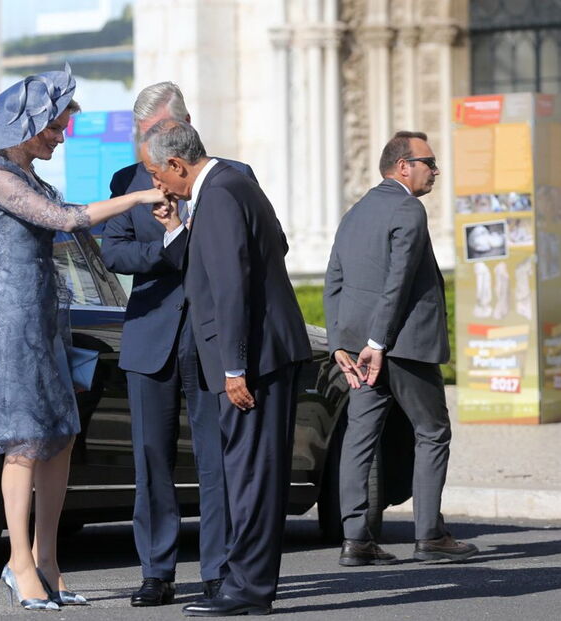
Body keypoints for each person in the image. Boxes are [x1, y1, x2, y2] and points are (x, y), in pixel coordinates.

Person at [0, 65, 168, 612]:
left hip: (40, 317)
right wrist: (135, 199)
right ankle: (19, 563)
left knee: (59, 436)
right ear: (27, 126)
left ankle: (49, 561)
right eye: (55, 127)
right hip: (6, 320)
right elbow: (63, 220)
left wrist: (156, 221)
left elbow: (82, 227)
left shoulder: (29, 176)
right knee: (26, 439)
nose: (61, 137)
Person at [140, 119, 311, 616]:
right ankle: (249, 584)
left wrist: (234, 367)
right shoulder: (235, 182)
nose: (157, 185)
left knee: (251, 474)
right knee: (252, 471)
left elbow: (231, 285)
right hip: (267, 350)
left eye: (156, 174)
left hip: (252, 358)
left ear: (177, 164)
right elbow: (275, 245)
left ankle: (247, 589)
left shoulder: (216, 195)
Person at [100, 82, 255, 607]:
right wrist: (168, 241)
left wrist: (185, 228)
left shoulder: (231, 177)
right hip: (151, 334)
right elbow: (115, 253)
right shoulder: (128, 180)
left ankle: (217, 570)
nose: (149, 153)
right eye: (142, 137)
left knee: (216, 459)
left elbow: (251, 253)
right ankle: (156, 571)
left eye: (157, 134)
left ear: (183, 126)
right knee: (151, 458)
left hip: (210, 338)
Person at [323, 130, 478, 567]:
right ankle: (429, 535)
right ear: (403, 166)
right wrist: (378, 341)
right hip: (402, 346)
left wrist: (341, 344)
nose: (436, 171)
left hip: (359, 349)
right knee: (432, 432)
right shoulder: (408, 208)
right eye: (429, 162)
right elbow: (399, 279)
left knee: (359, 440)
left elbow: (334, 280)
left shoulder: (353, 214)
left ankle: (355, 541)